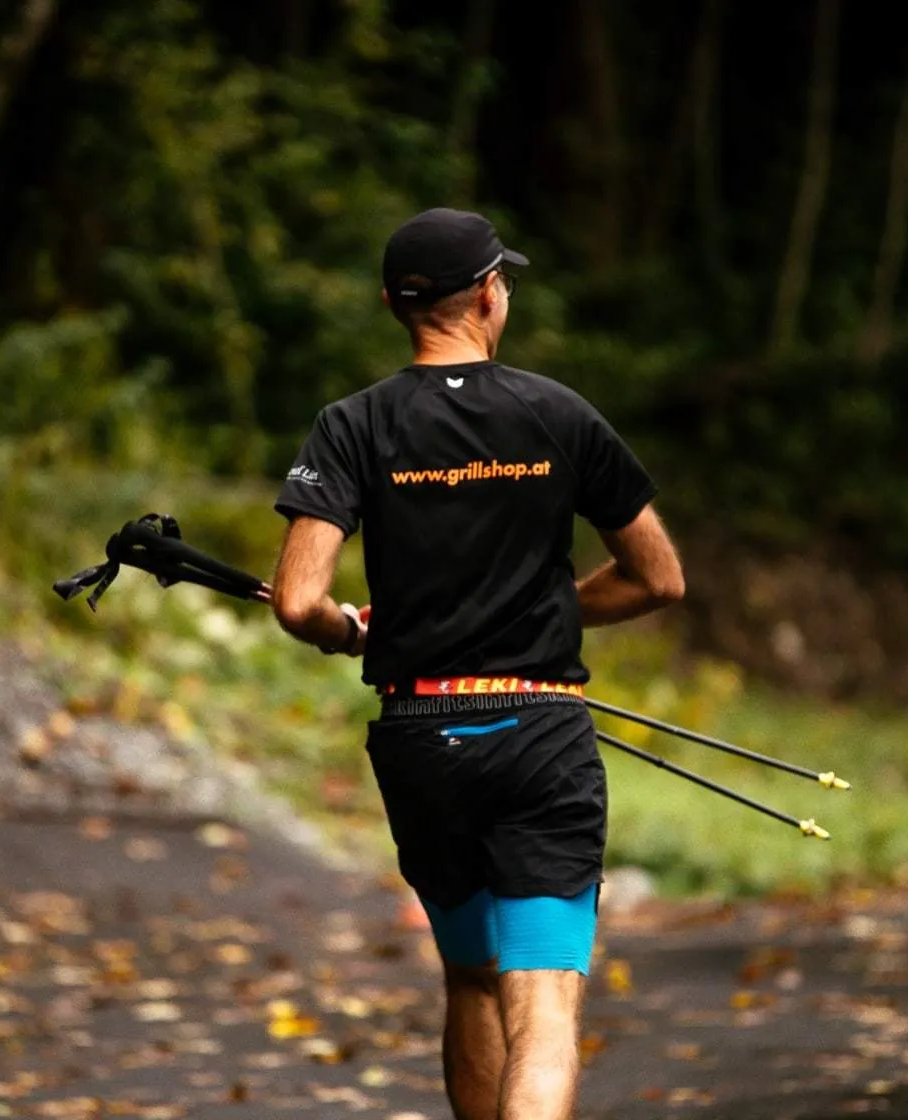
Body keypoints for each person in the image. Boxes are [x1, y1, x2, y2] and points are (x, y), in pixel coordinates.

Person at [269, 207, 684, 1120]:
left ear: (393, 305)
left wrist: (351, 632)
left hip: (422, 743)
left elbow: (298, 601)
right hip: (540, 734)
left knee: (469, 981)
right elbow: (660, 578)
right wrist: (529, 608)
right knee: (542, 1003)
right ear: (491, 295)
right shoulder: (557, 413)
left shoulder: (352, 426)